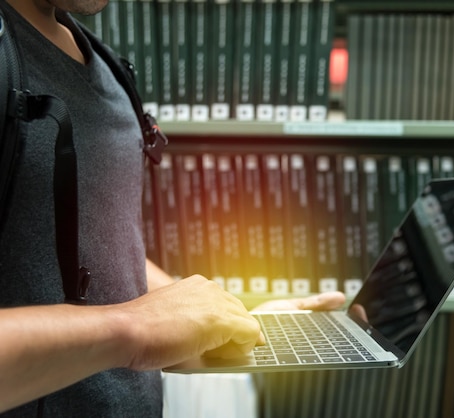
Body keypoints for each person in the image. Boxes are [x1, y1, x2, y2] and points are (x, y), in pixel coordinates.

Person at [0, 0, 345, 416]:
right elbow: (135, 325)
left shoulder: (100, 61)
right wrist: (138, 327)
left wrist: (227, 320)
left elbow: (104, 253)